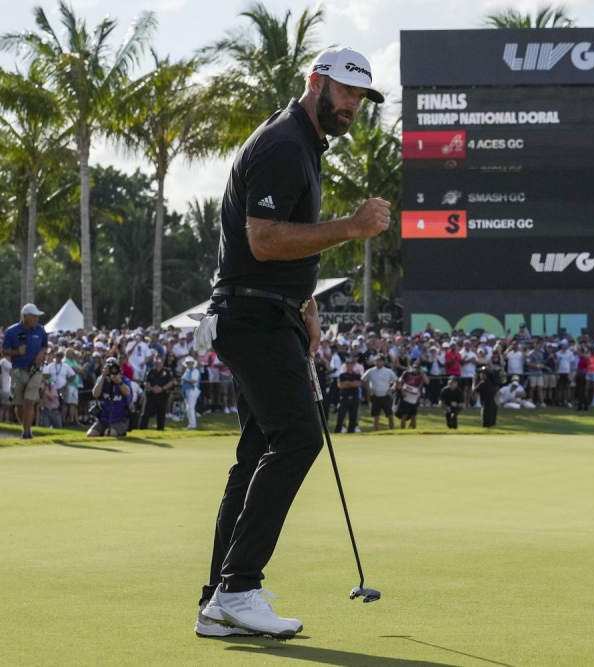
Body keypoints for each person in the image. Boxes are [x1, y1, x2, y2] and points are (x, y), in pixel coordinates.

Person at [195, 44, 389, 639]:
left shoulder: (304, 145)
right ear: (316, 83)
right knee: (300, 436)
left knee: (256, 453)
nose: (354, 105)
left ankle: (219, 600)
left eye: (361, 96)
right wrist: (353, 227)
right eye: (346, 91)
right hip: (251, 318)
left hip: (269, 313)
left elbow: (284, 243)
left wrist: (305, 304)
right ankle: (239, 587)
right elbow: (263, 240)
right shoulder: (284, 142)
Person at [2, 304, 48, 439]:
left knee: (30, 401)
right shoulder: (11, 331)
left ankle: (27, 433)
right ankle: (25, 427)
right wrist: (16, 352)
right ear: (25, 316)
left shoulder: (40, 330)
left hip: (35, 371)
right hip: (17, 371)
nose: (36, 319)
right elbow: (4, 351)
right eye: (34, 316)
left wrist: (41, 353)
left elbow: (45, 346)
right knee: (19, 404)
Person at [87, 357, 132, 437]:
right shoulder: (101, 380)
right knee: (91, 434)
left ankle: (119, 432)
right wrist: (103, 376)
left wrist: (119, 382)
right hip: (103, 418)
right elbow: (95, 394)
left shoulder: (124, 380)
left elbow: (127, 393)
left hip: (119, 418)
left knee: (109, 433)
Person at [362, 355, 397, 431]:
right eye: (376, 361)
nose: (378, 362)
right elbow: (363, 381)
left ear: (383, 362)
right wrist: (368, 388)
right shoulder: (370, 371)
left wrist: (391, 389)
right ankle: (376, 432)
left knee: (390, 415)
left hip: (385, 396)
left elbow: (396, 382)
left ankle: (392, 431)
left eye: (380, 361)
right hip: (375, 396)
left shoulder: (388, 371)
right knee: (376, 417)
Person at [141, 355, 175, 431]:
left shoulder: (167, 371)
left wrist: (162, 389)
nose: (158, 362)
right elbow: (146, 382)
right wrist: (151, 388)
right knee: (146, 411)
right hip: (151, 394)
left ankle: (160, 428)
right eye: (156, 360)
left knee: (161, 412)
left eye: (160, 360)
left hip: (162, 394)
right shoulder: (150, 371)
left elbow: (170, 383)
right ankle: (143, 428)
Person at [336, 352, 365, 434]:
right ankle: (340, 429)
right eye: (348, 365)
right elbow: (341, 385)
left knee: (353, 415)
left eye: (351, 365)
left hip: (354, 396)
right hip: (344, 397)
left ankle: (351, 430)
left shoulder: (357, 375)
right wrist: (352, 384)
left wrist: (348, 383)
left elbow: (358, 384)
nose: (349, 366)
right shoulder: (342, 375)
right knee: (341, 414)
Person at [396, 361, 428, 429]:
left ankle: (413, 430)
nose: (416, 369)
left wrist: (423, 373)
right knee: (404, 415)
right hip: (405, 396)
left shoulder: (421, 375)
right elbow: (399, 383)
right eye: (415, 368)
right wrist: (402, 391)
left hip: (415, 397)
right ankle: (402, 429)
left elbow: (427, 382)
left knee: (413, 415)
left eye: (418, 368)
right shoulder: (407, 374)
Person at [181, 356, 201, 430]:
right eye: (187, 363)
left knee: (191, 408)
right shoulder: (187, 371)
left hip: (193, 390)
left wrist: (184, 379)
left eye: (190, 363)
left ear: (193, 363)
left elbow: (194, 381)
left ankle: (192, 425)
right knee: (188, 408)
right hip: (187, 391)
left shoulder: (195, 371)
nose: (188, 364)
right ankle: (191, 424)